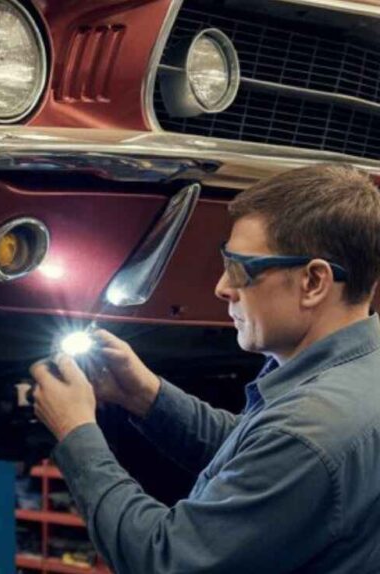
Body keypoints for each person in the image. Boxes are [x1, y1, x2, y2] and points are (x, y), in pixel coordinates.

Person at [29, 164, 380, 573]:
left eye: (240, 269)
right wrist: (146, 397)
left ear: (314, 282)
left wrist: (76, 434)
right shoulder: (356, 376)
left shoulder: (307, 431)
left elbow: (165, 559)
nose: (222, 288)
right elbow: (256, 455)